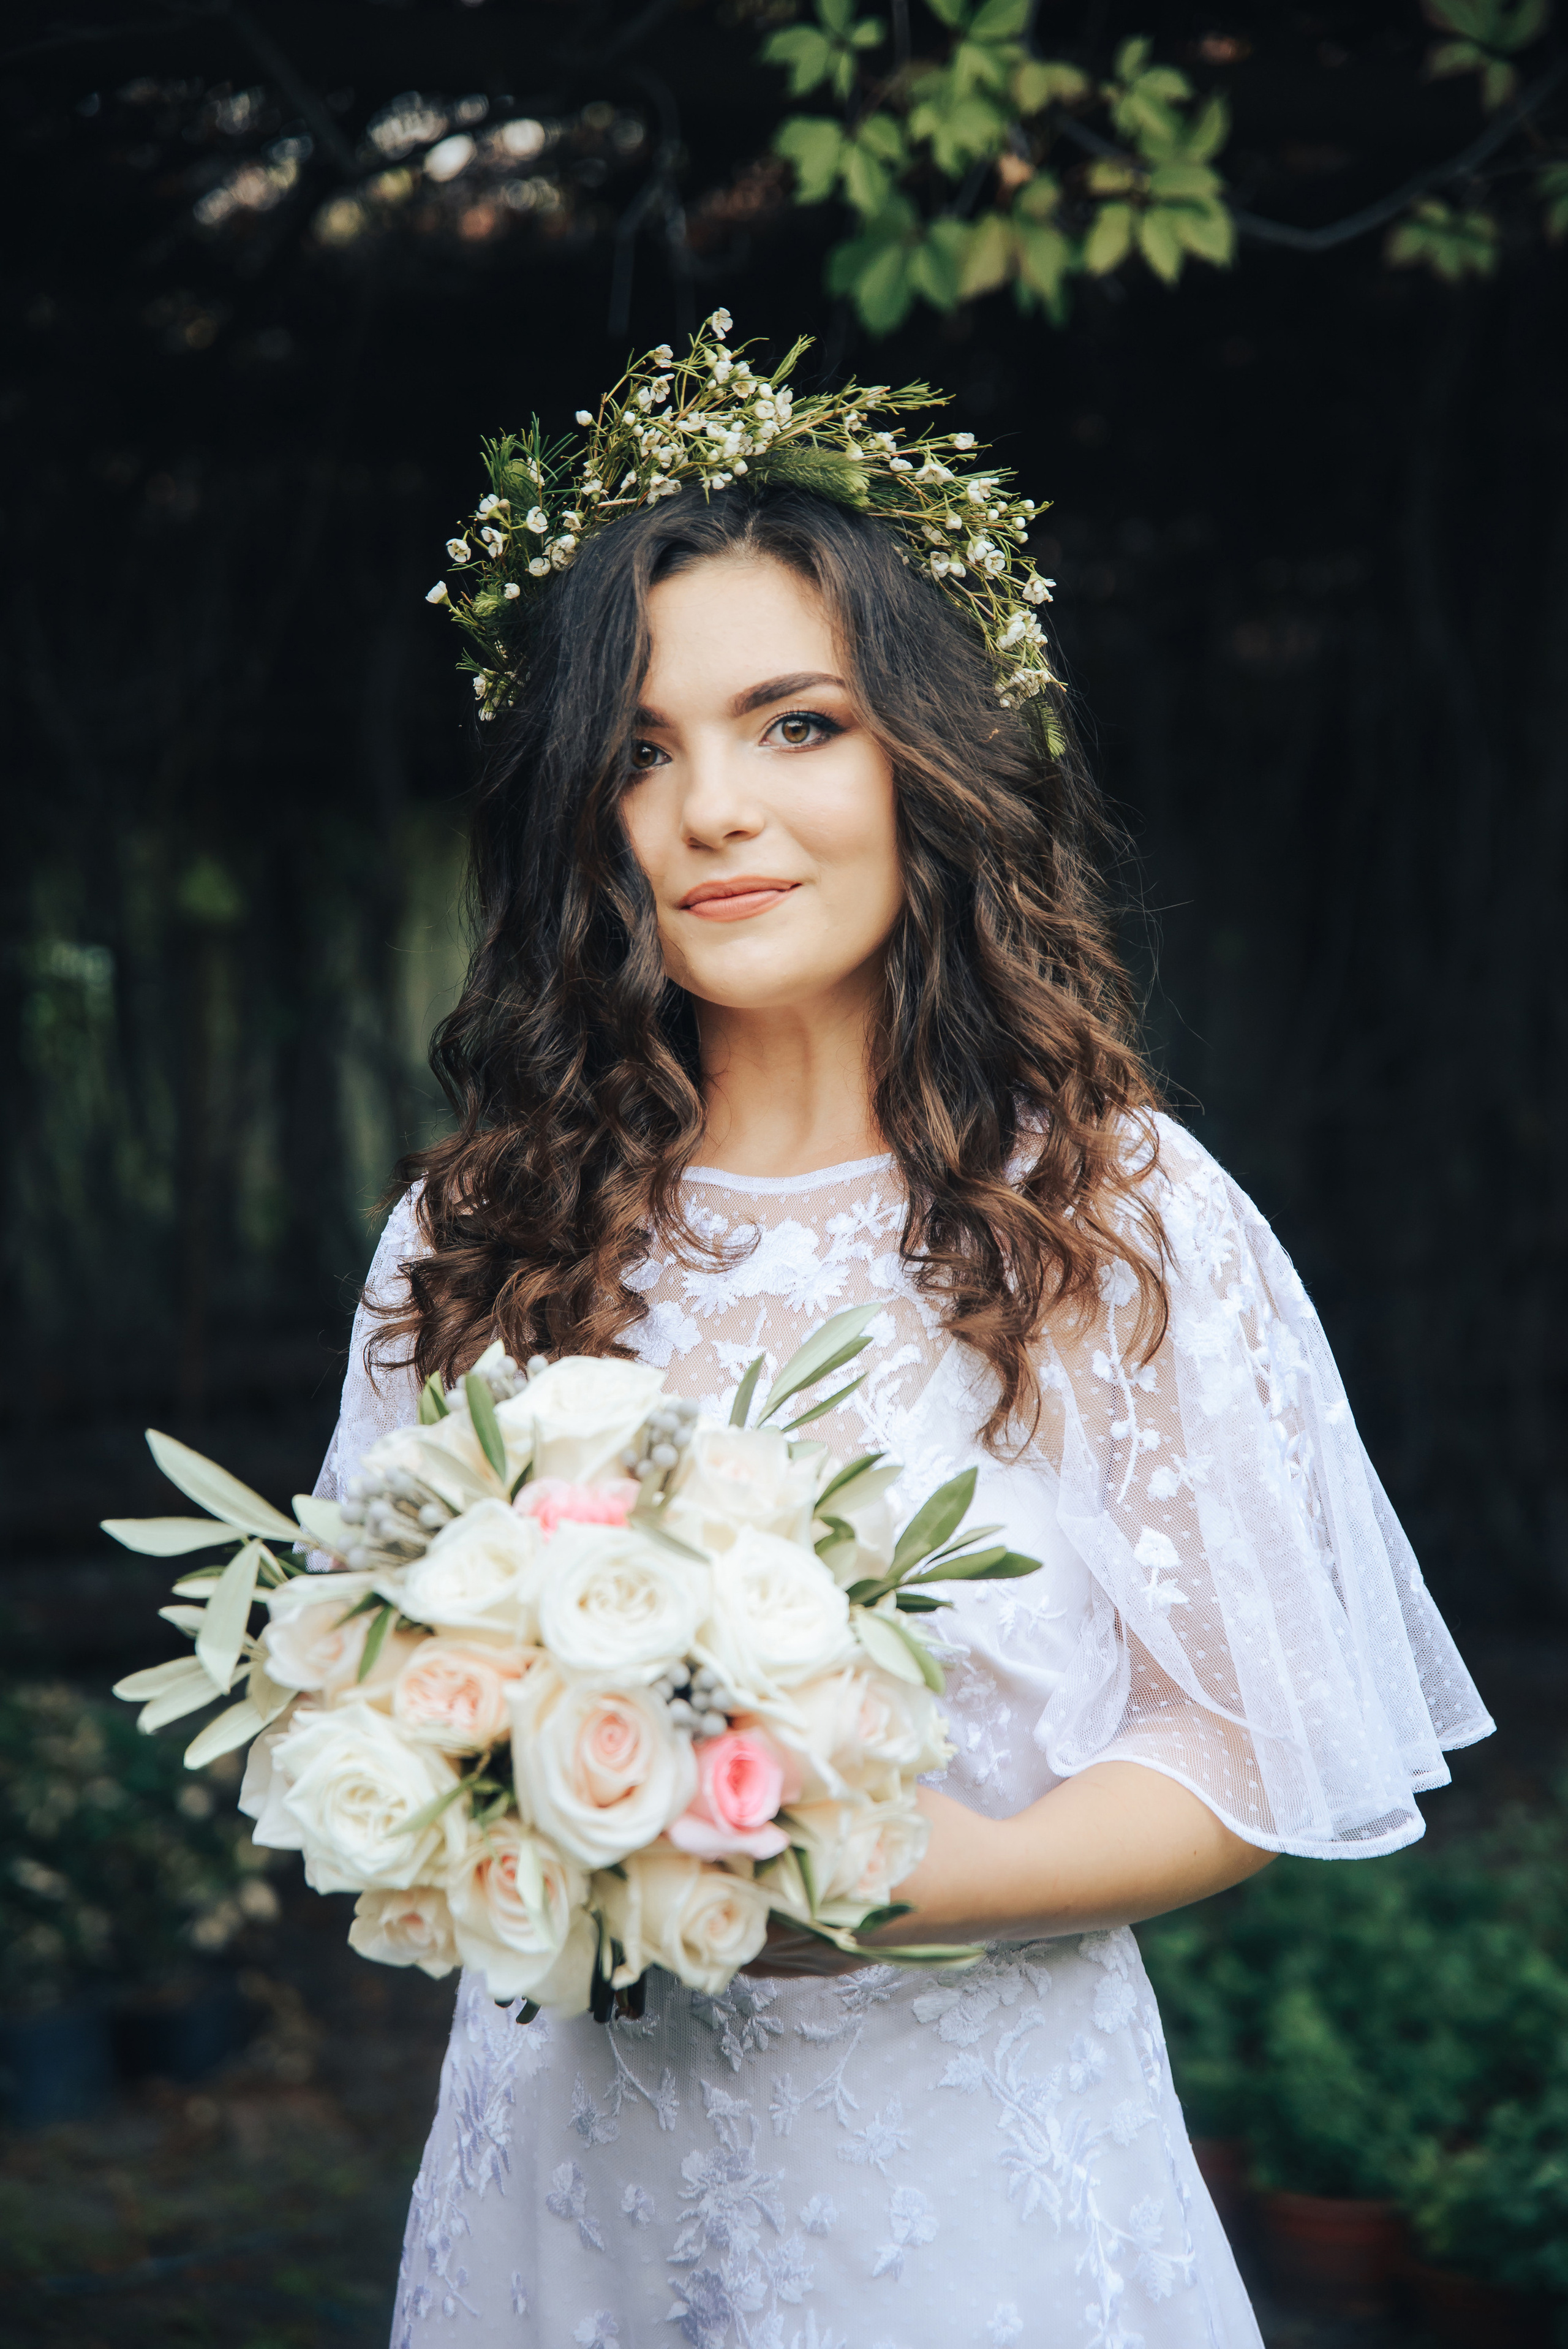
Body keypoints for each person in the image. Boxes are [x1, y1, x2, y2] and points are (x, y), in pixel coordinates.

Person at [317, 318, 1491, 2349]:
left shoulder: (1114, 1215)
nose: (712, 811)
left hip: (971, 2191)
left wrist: (903, 1877)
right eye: (645, 748)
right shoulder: (477, 1226)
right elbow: (369, 1684)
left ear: (927, 759)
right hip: (569, 2186)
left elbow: (1244, 1744)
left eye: (796, 724)